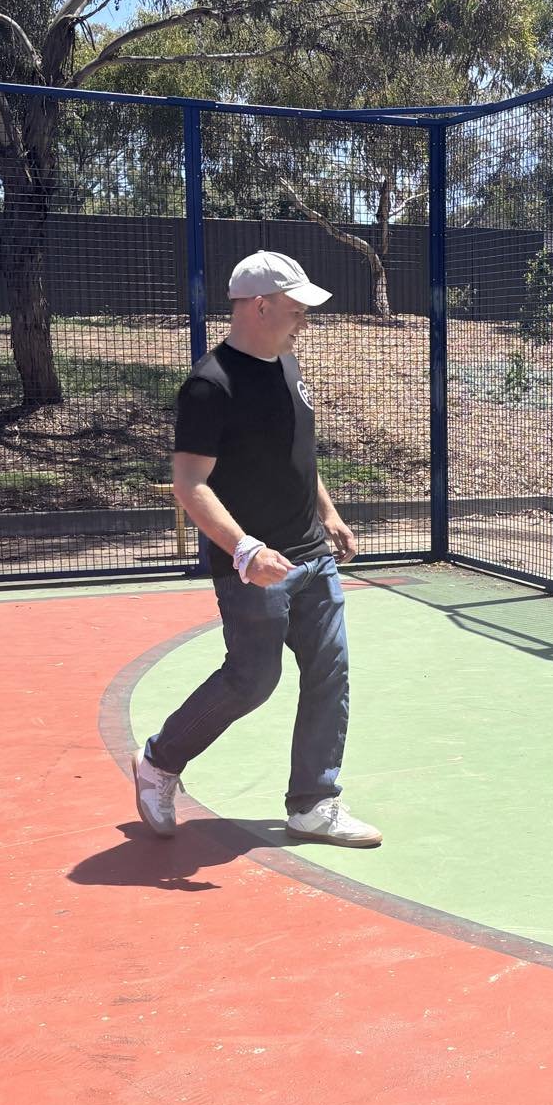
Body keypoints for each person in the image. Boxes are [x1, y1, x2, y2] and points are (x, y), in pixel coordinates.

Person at [130, 250, 380, 848]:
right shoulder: (210, 385)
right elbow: (191, 485)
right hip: (251, 565)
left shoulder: (288, 365)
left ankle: (313, 803)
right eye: (295, 309)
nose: (304, 320)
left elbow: (297, 455)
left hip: (311, 556)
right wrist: (245, 551)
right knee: (252, 680)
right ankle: (160, 763)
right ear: (260, 305)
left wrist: (329, 513)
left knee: (330, 672)